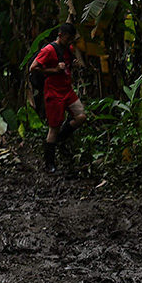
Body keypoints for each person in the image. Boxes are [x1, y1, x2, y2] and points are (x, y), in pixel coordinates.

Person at [29, 22, 86, 173]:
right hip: (53, 92)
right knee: (53, 127)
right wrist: (54, 69)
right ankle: (49, 163)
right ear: (61, 36)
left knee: (81, 116)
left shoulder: (69, 48)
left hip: (67, 89)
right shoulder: (49, 50)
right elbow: (33, 67)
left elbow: (67, 64)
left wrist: (72, 64)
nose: (69, 42)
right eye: (68, 38)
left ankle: (60, 139)